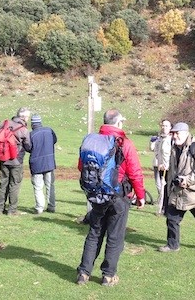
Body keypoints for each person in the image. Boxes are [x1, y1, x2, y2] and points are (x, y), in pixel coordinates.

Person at [76, 109, 145, 287]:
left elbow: (81, 166)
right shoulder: (125, 143)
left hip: (98, 195)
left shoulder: (91, 141)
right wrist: (141, 196)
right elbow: (135, 172)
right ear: (118, 122)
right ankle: (108, 276)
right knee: (115, 236)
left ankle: (83, 273)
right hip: (119, 196)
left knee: (94, 233)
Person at [158, 122, 195, 254]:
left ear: (186, 133)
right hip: (178, 192)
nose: (174, 136)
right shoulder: (174, 148)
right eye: (173, 133)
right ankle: (172, 245)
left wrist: (187, 180)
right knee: (172, 219)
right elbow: (173, 170)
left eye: (177, 133)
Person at [0, 107, 31, 215]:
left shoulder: (4, 124)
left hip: (3, 159)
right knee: (14, 184)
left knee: (3, 183)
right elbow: (28, 146)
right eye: (28, 117)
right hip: (16, 161)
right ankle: (12, 210)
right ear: (24, 117)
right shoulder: (23, 129)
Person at [29, 114, 58, 214]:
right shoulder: (49, 130)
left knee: (38, 187)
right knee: (50, 185)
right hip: (49, 162)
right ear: (40, 122)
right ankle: (52, 206)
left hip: (36, 164)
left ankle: (39, 208)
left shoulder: (31, 134)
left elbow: (28, 148)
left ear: (32, 124)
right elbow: (55, 140)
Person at [152, 120, 172, 211]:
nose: (164, 128)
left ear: (170, 127)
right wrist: (159, 163)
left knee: (167, 187)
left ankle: (166, 207)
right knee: (160, 186)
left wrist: (166, 164)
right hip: (160, 166)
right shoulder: (159, 139)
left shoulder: (171, 139)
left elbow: (172, 154)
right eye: (163, 126)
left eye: (166, 126)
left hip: (168, 168)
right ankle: (162, 207)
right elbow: (156, 150)